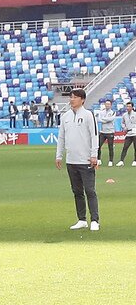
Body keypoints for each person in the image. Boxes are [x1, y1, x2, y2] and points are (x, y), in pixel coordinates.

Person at [56, 88, 99, 232]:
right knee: (77, 191)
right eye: (70, 97)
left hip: (85, 160)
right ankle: (82, 219)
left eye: (74, 97)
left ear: (82, 99)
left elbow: (94, 136)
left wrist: (94, 155)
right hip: (71, 160)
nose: (71, 100)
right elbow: (61, 137)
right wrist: (59, 155)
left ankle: (95, 220)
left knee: (90, 190)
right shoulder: (66, 116)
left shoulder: (88, 115)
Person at [95, 98, 117, 166]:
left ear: (111, 105)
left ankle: (110, 161)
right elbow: (98, 120)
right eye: (106, 104)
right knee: (98, 146)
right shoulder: (101, 112)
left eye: (109, 104)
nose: (107, 105)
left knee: (110, 147)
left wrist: (103, 119)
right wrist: (105, 120)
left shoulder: (113, 112)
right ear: (104, 105)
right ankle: (98, 159)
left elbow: (110, 119)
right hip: (102, 132)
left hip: (110, 132)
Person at [119, 102, 136, 166]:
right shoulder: (124, 115)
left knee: (135, 147)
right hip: (128, 133)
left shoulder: (135, 114)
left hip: (134, 133)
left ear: (132, 107)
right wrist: (124, 127)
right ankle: (121, 160)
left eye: (129, 106)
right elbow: (122, 122)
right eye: (127, 106)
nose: (128, 108)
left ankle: (135, 160)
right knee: (125, 147)